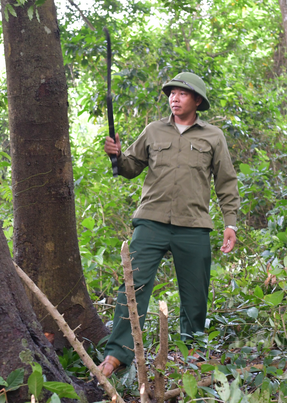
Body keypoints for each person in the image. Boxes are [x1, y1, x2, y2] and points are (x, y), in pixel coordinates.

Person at [99, 72, 240, 377]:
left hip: (194, 225)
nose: (174, 99)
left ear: (197, 101)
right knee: (131, 287)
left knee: (195, 293)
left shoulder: (213, 136)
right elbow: (129, 168)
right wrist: (116, 155)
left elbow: (226, 182)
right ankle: (117, 355)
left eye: (182, 94)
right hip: (151, 222)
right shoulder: (153, 131)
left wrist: (231, 223)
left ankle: (192, 353)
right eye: (171, 93)